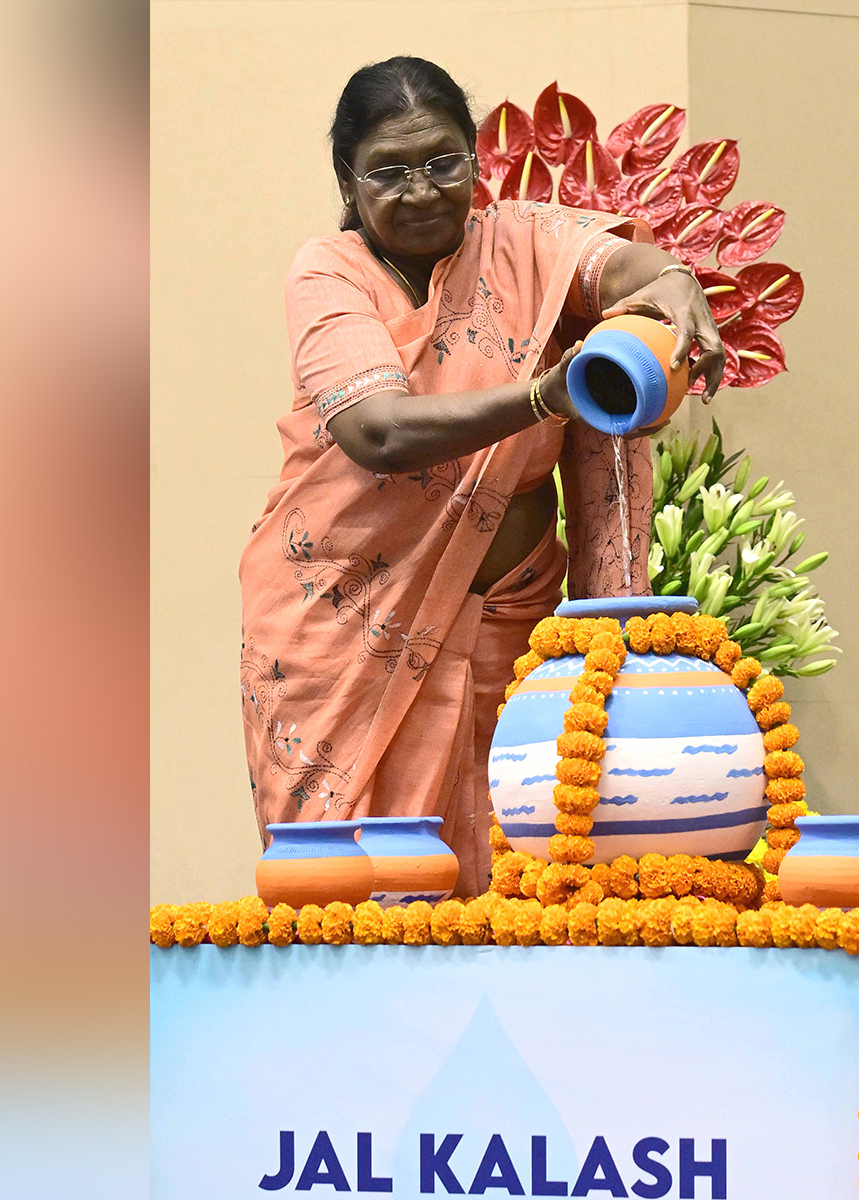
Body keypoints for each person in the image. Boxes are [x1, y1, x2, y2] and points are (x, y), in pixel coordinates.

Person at [239, 57, 725, 895]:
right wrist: (544, 395)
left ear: (476, 163)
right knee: (350, 896)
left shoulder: (525, 242)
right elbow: (378, 431)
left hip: (511, 625)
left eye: (444, 163)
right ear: (348, 184)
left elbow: (617, 269)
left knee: (521, 868)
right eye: (389, 171)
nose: (421, 189)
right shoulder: (328, 274)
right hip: (344, 624)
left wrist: (674, 281)